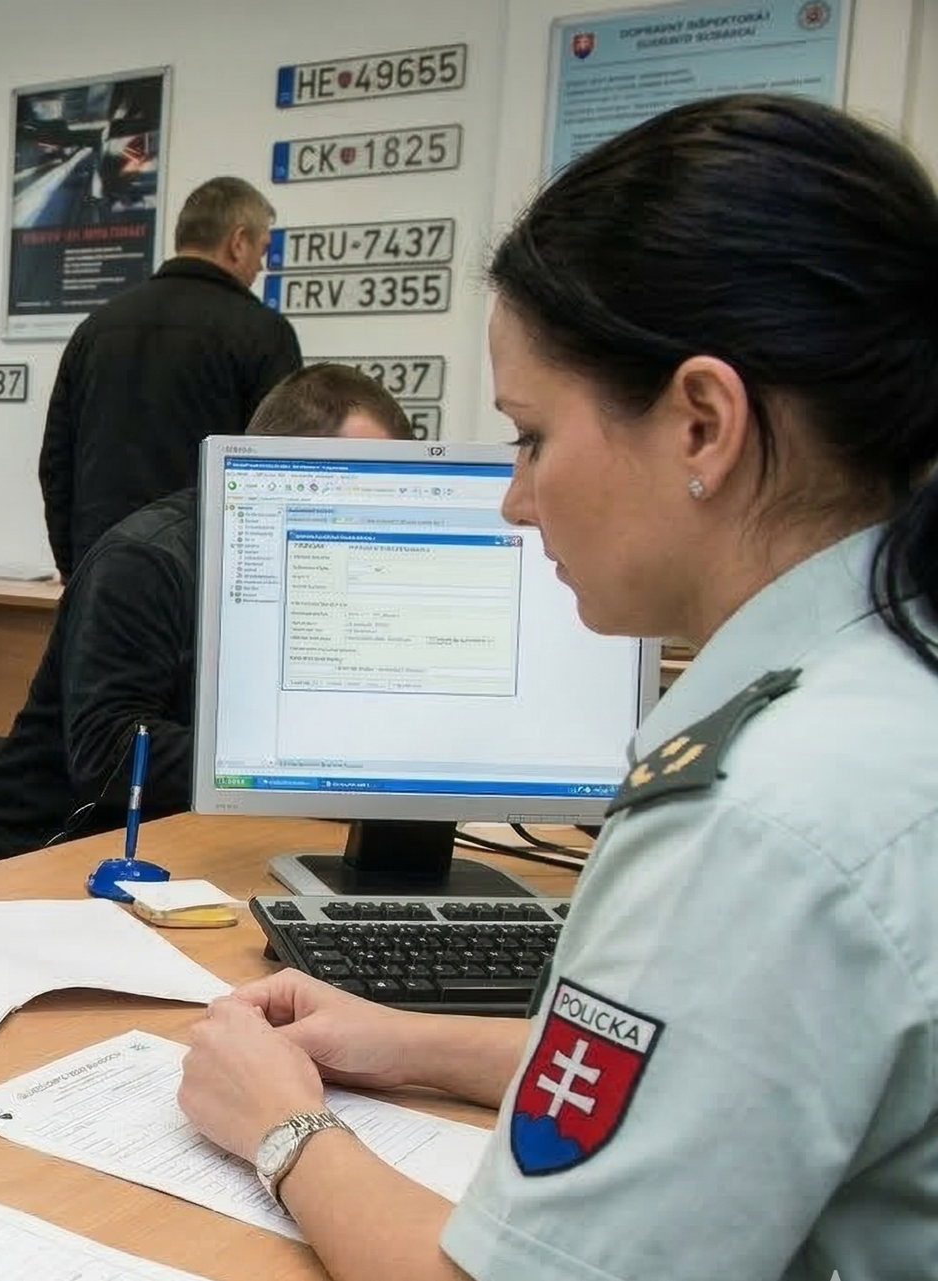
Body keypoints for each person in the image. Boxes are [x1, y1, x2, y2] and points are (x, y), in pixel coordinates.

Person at [177, 94, 938, 1281]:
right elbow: (712, 1080)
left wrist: (280, 1127)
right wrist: (413, 1044)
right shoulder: (886, 686)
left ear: (700, 425)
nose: (512, 500)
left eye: (529, 436)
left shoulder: (755, 821)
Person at [0, 365, 414, 866]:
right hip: (59, 852)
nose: (373, 504)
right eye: (351, 481)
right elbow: (108, 752)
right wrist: (299, 765)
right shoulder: (146, 560)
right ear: (272, 466)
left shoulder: (329, 565)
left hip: (208, 837)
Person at [38, 175, 302, 578]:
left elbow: (56, 463)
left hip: (99, 567)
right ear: (238, 241)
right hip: (203, 574)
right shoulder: (263, 333)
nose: (261, 266)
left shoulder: (95, 329)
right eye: (262, 249)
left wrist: (74, 568)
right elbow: (281, 469)